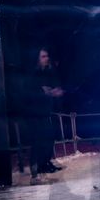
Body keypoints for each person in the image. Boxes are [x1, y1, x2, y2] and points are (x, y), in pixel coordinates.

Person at [28, 47, 64, 184]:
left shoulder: (47, 72)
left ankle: (45, 163)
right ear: (37, 59)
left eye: (47, 56)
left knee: (49, 138)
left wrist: (55, 91)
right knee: (37, 141)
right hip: (35, 114)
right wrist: (45, 92)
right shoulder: (33, 74)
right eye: (43, 56)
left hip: (45, 111)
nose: (46, 58)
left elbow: (52, 87)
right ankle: (35, 171)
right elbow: (31, 92)